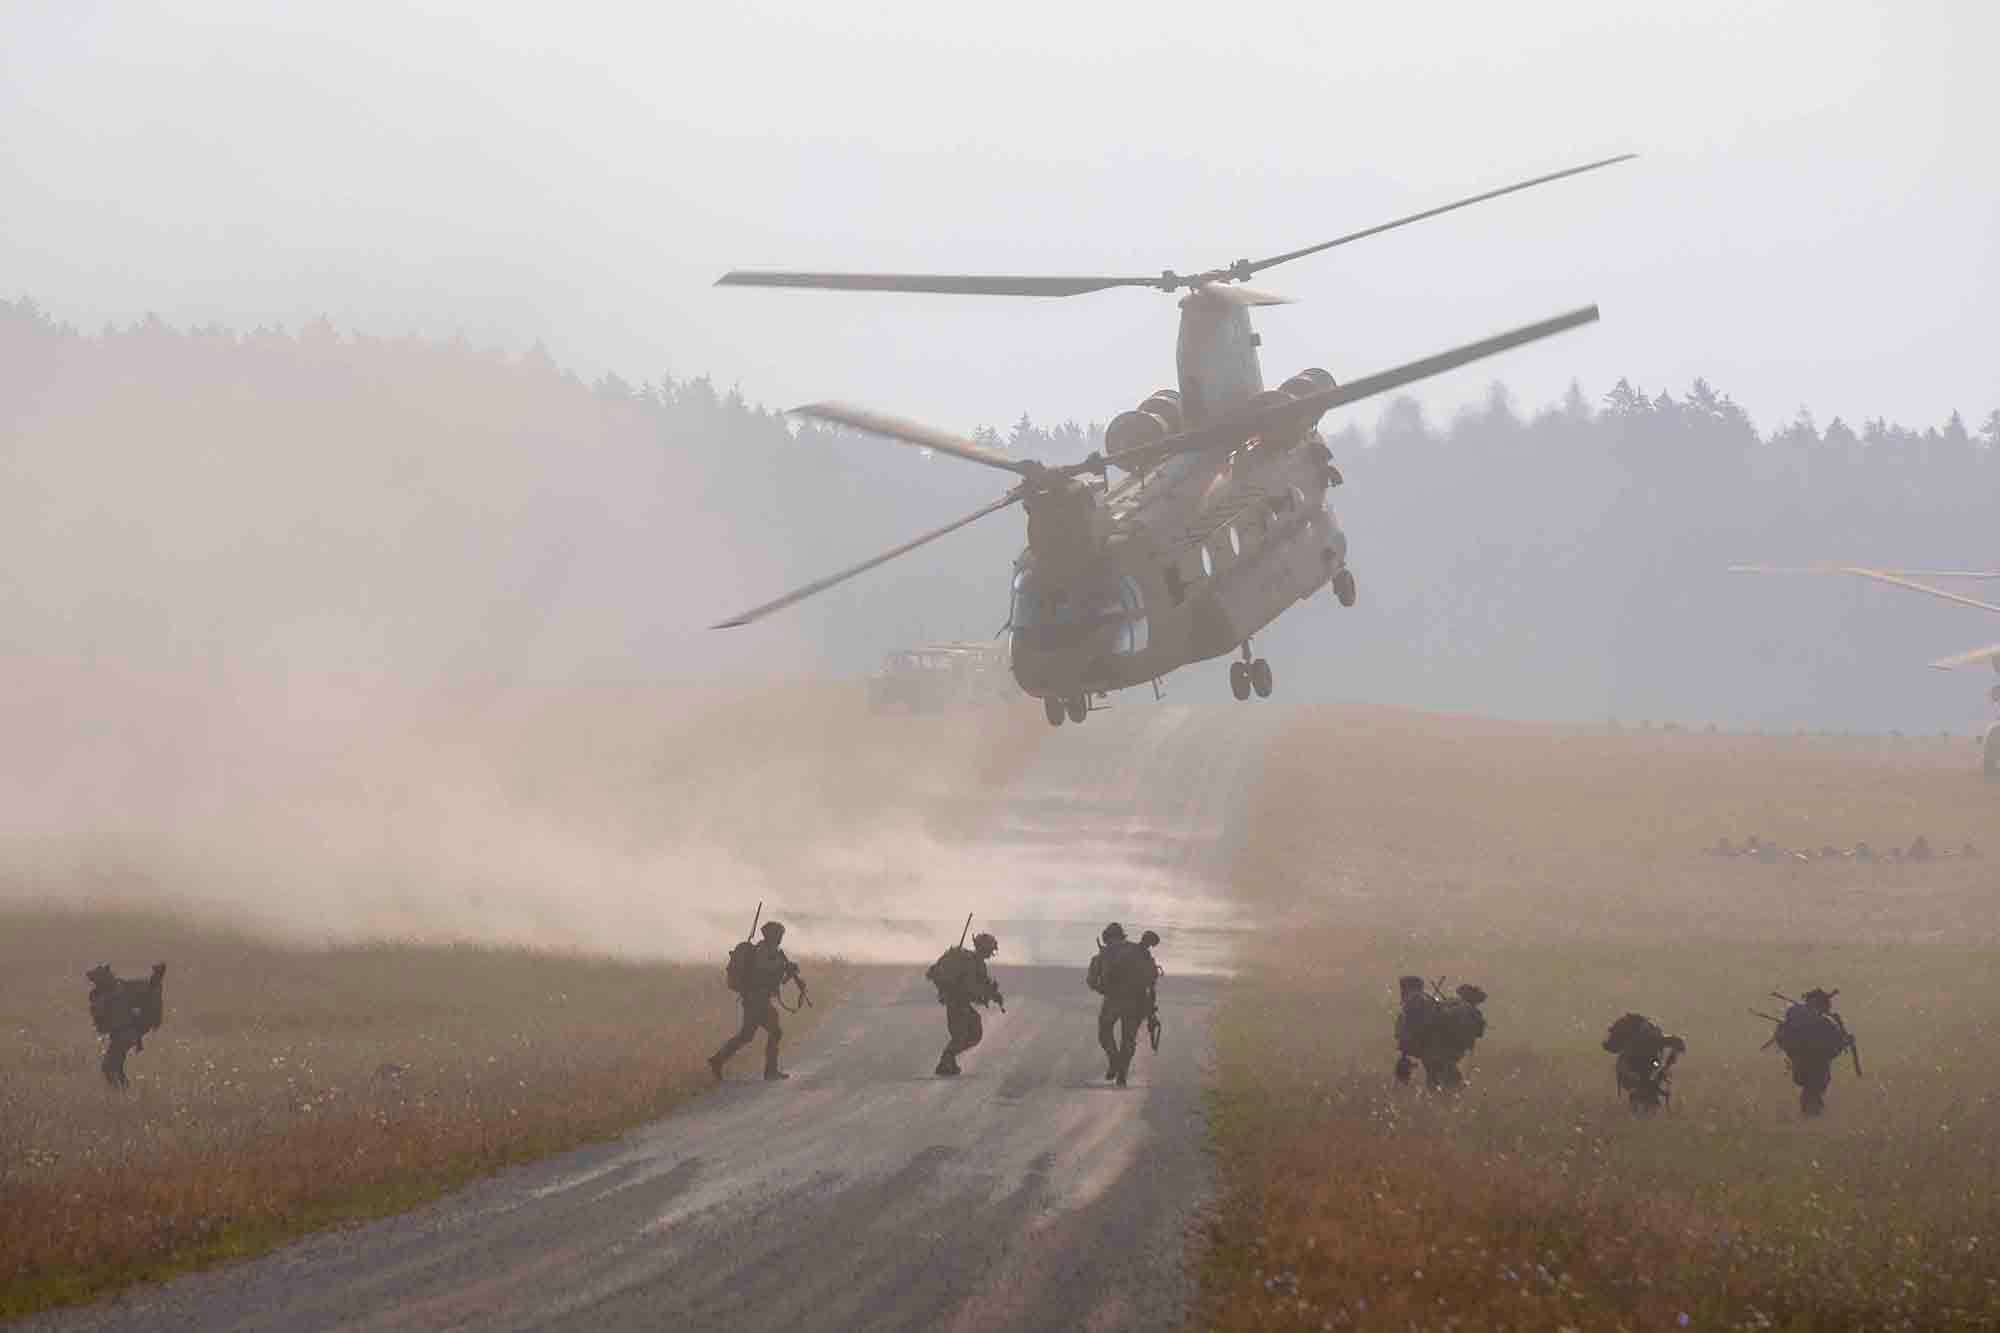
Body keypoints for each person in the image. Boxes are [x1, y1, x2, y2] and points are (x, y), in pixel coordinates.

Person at [710, 921, 805, 1082]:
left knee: (746, 1035)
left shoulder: (771, 952)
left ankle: (718, 1060)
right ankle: (770, 1071)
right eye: (779, 935)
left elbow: (776, 978)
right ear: (771, 935)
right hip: (757, 1000)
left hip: (756, 999)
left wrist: (790, 973)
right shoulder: (763, 951)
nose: (781, 938)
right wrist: (784, 966)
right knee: (775, 1031)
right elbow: (765, 968)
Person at [1088, 923, 1159, 1087]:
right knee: (1128, 1039)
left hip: (1112, 1000)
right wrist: (1149, 1006)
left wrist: (1104, 990)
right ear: (1122, 935)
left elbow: (1092, 981)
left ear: (1106, 937)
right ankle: (1123, 1074)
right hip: (1135, 1001)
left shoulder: (1105, 953)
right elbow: (1152, 977)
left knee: (1105, 1031)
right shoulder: (1139, 950)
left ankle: (1114, 1059)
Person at [927, 931, 1003, 1077]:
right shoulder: (969, 962)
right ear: (984, 949)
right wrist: (989, 994)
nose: (990, 954)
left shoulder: (977, 963)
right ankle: (945, 1062)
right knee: (962, 1035)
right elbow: (973, 988)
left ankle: (949, 1060)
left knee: (974, 1033)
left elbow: (982, 985)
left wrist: (993, 994)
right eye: (989, 951)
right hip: (957, 1003)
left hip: (961, 1003)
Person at [1394, 976, 1488, 1091]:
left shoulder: (1417, 1003)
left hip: (1431, 1047)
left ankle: (1442, 1101)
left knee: (1438, 1075)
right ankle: (1447, 1101)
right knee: (1445, 1077)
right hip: (1437, 1047)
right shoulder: (1461, 1007)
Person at [1771, 987, 1854, 1116]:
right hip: (1815, 1065)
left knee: (1811, 1090)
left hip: (1801, 1064)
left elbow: (1783, 1038)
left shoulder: (1798, 1017)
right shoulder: (1824, 1022)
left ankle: (1810, 1114)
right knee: (1813, 1090)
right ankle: (1812, 1114)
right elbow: (1835, 1045)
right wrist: (1844, 1041)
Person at [86, 962, 166, 1088]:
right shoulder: (119, 987)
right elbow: (148, 987)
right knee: (116, 1068)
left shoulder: (118, 990)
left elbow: (148, 988)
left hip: (124, 1035)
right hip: (125, 1034)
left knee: (108, 1067)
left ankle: (119, 1093)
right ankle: (123, 1091)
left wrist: (157, 976)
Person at [1601, 1012, 1686, 1113]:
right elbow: (1623, 1063)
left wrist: (1667, 1065)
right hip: (1641, 1061)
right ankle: (1642, 1096)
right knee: (1645, 1074)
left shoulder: (1650, 1043)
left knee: (1648, 1072)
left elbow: (1677, 1043)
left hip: (1644, 1061)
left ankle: (1643, 1095)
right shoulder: (1638, 1047)